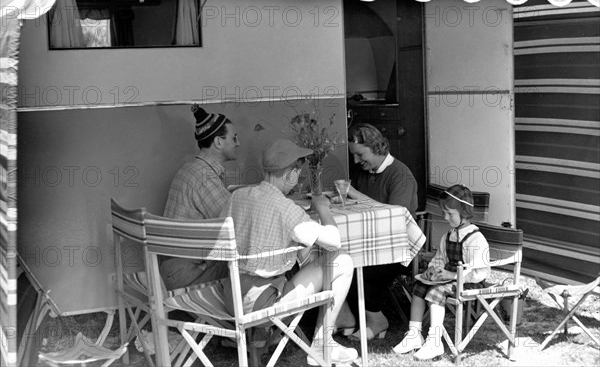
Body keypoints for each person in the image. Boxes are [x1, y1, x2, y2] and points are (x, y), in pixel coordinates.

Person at [220, 139, 358, 366]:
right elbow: (333, 242)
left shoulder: (237, 196)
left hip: (231, 295)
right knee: (342, 262)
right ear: (289, 175)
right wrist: (323, 208)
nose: (298, 178)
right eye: (298, 173)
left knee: (297, 258)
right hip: (261, 304)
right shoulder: (285, 209)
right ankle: (324, 344)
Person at [338, 123, 422, 340]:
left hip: (397, 248)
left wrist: (355, 195)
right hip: (367, 242)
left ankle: (376, 319)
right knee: (334, 259)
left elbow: (396, 218)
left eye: (359, 154)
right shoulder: (363, 172)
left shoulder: (400, 175)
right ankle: (345, 315)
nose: (356, 161)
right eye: (353, 155)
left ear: (376, 147)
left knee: (355, 267)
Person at [393, 184, 490, 360]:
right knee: (419, 286)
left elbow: (480, 271)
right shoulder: (449, 235)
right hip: (449, 278)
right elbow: (440, 258)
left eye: (450, 214)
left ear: (465, 213)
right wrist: (433, 269)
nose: (445, 217)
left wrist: (453, 276)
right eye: (444, 212)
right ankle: (415, 333)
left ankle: (435, 340)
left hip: (468, 281)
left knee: (435, 292)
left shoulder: (476, 238)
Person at [160, 104, 240, 290]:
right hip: (186, 274)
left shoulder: (191, 169)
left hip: (173, 268)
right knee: (253, 264)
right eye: (234, 138)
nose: (238, 143)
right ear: (219, 142)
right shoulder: (204, 177)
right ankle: (268, 314)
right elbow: (234, 223)